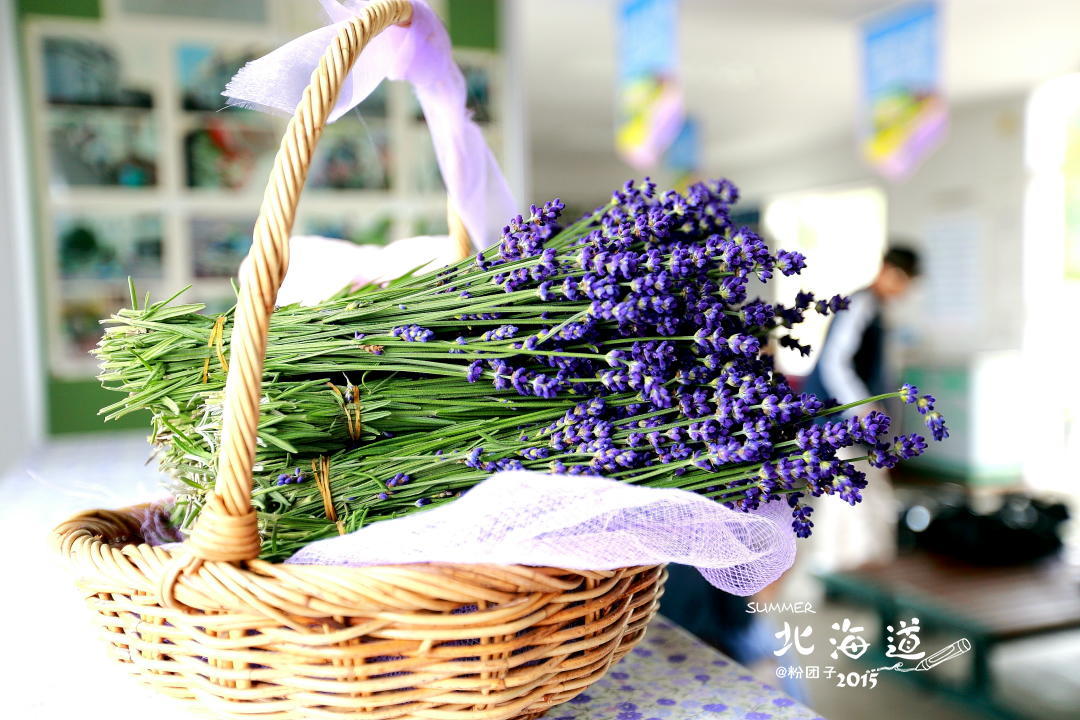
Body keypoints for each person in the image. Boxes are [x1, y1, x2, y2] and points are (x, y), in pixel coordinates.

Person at [800, 245, 921, 571]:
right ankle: (851, 571)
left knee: (848, 498)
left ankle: (843, 569)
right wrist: (861, 408)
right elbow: (835, 362)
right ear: (888, 271)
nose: (904, 290)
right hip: (845, 420)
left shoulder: (877, 308)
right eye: (904, 280)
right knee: (852, 496)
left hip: (853, 421)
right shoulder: (862, 303)